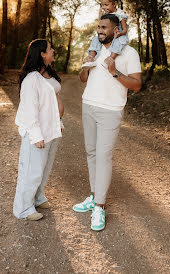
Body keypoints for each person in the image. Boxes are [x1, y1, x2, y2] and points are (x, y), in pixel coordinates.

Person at [73, 14, 142, 231]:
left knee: (103, 156)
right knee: (92, 153)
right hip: (88, 105)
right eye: (98, 27)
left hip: (110, 110)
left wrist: (115, 73)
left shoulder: (129, 53)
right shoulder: (94, 50)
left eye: (104, 27)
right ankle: (94, 197)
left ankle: (100, 207)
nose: (100, 30)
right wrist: (85, 67)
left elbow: (137, 85)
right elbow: (83, 79)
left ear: (115, 30)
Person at [13, 39, 64, 221]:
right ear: (42, 53)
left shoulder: (48, 73)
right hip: (38, 132)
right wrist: (36, 135)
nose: (53, 51)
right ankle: (23, 208)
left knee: (45, 167)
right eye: (50, 48)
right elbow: (29, 109)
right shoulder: (31, 79)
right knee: (31, 170)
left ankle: (37, 197)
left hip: (52, 128)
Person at [84, 0, 129, 69]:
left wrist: (119, 34)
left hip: (119, 35)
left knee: (119, 42)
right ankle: (91, 58)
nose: (104, 7)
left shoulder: (120, 14)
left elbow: (125, 29)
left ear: (114, 4)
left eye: (106, 5)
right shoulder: (105, 14)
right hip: (108, 35)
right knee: (95, 39)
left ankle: (111, 58)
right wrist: (100, 16)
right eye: (102, 5)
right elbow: (101, 25)